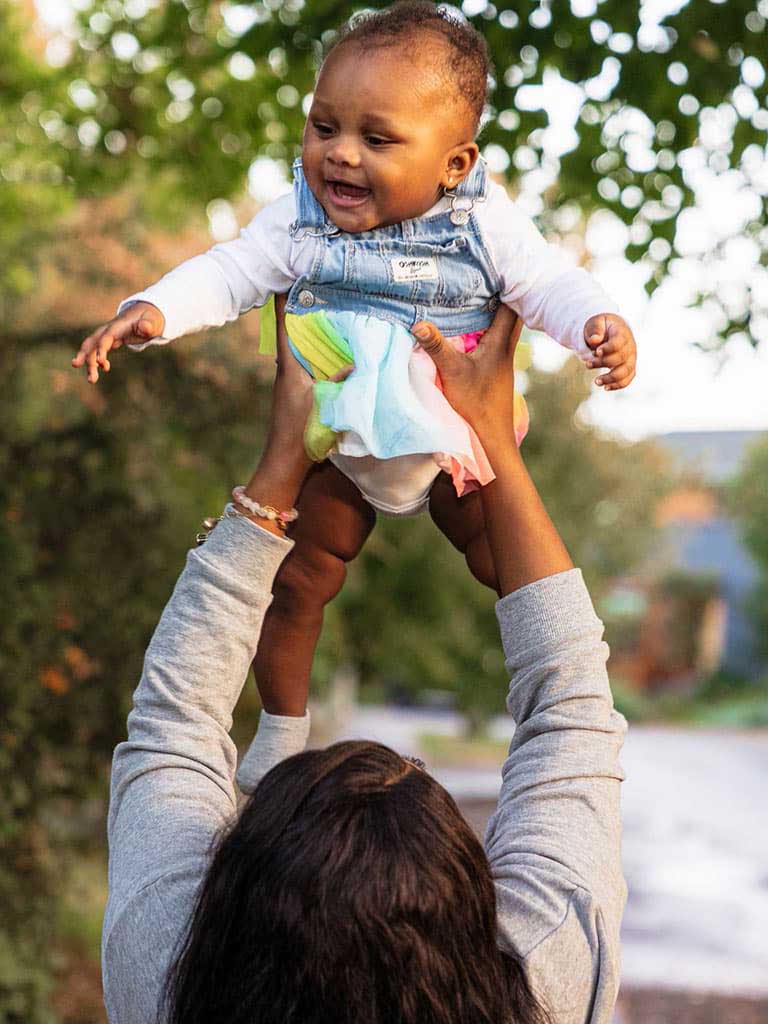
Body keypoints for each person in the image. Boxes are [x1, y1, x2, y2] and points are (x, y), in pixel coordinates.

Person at [74, 2, 637, 782]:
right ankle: (279, 728)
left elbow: (545, 284)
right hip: (336, 436)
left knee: (506, 558)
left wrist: (595, 325)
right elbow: (232, 270)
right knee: (298, 581)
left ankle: (550, 712)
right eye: (322, 127)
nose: (338, 156)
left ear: (456, 164)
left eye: (376, 139)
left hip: (452, 438)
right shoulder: (297, 220)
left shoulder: (484, 221)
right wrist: (155, 309)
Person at [102, 297, 627, 1024]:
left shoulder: (173, 973)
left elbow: (171, 723)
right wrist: (493, 442)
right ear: (476, 909)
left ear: (232, 890)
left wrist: (282, 464)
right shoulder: (538, 988)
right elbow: (573, 712)